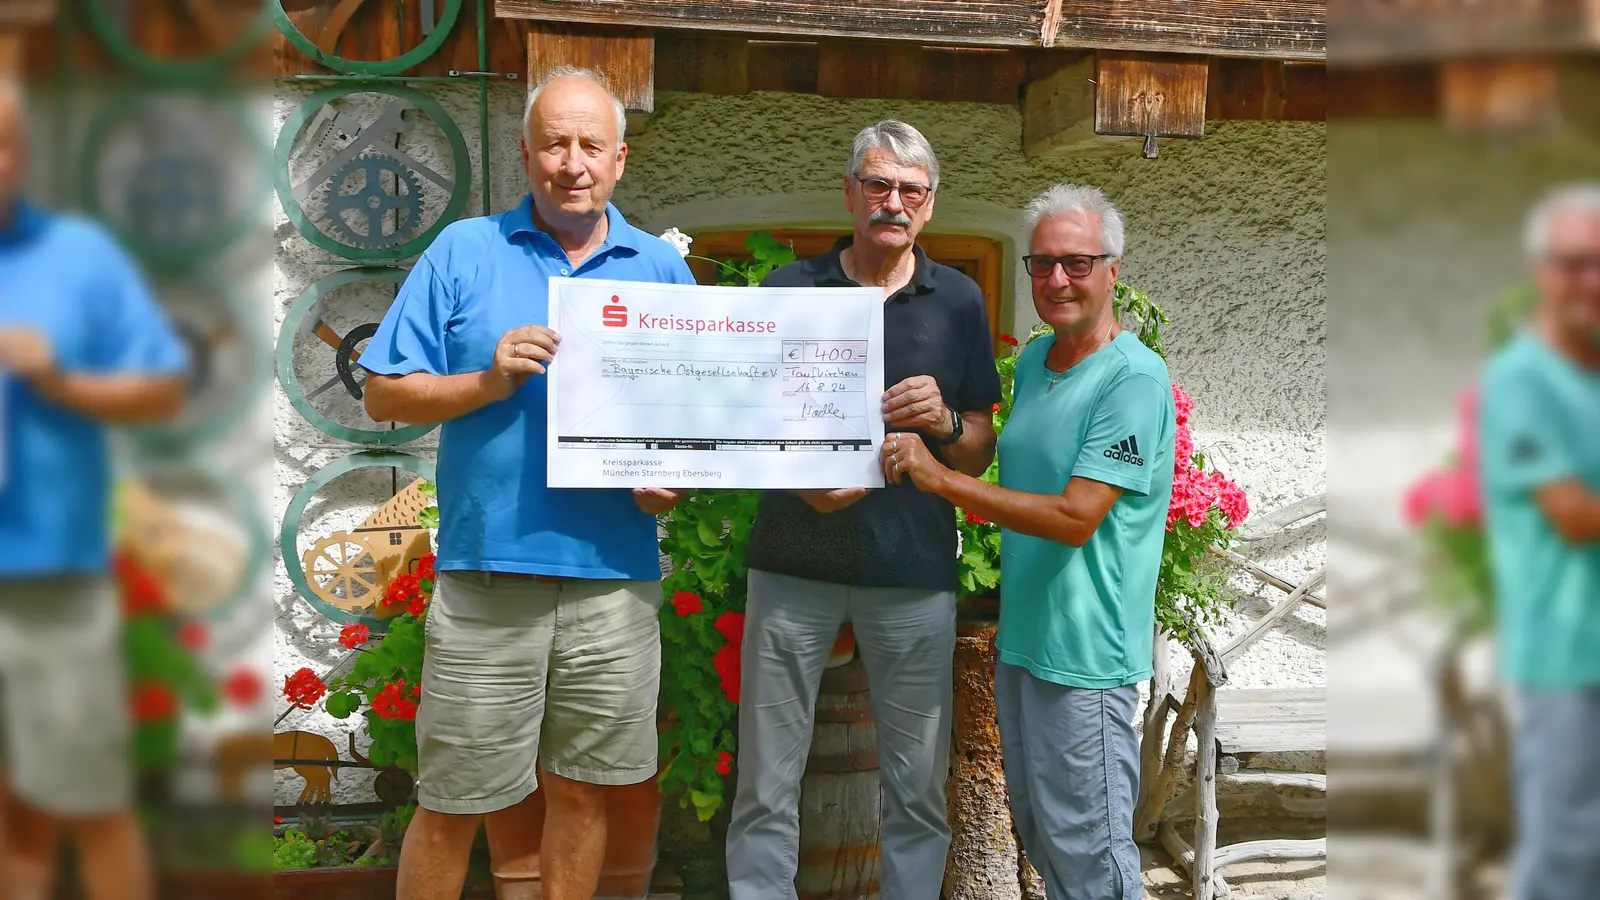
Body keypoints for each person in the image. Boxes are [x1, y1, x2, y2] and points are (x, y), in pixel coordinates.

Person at [359, 67, 691, 900]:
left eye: (589, 145)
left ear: (620, 159)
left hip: (613, 581)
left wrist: (668, 482)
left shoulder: (659, 270)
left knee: (583, 791)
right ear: (525, 154)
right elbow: (382, 391)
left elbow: (685, 424)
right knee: (451, 801)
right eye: (554, 143)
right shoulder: (465, 250)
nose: (571, 162)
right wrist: (487, 380)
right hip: (488, 576)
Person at [725, 119, 1002, 900]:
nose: (893, 202)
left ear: (930, 205)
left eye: (910, 190)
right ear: (849, 192)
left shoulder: (958, 299)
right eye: (877, 184)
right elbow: (743, 424)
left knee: (917, 788)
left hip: (910, 570)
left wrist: (945, 422)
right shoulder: (787, 291)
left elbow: (977, 446)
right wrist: (794, 478)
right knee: (766, 781)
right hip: (791, 560)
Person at [885, 183, 1172, 900]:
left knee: (1094, 862)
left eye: (1076, 263)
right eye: (1041, 264)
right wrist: (948, 430)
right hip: (1024, 643)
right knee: (1043, 840)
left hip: (1086, 659)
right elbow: (1016, 474)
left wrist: (939, 480)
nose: (1055, 280)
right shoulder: (1041, 362)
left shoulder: (1134, 378)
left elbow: (1076, 516)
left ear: (1112, 270)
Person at [0, 77, 188, 900]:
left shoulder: (78, 255)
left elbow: (161, 389)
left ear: (20, 153)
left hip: (54, 580)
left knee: (90, 802)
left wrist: (60, 380)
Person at [1478, 183, 1600, 900]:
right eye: (1571, 262)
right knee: (1563, 858)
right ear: (1541, 273)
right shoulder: (1521, 382)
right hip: (1564, 660)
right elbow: (1575, 515)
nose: (1588, 278)